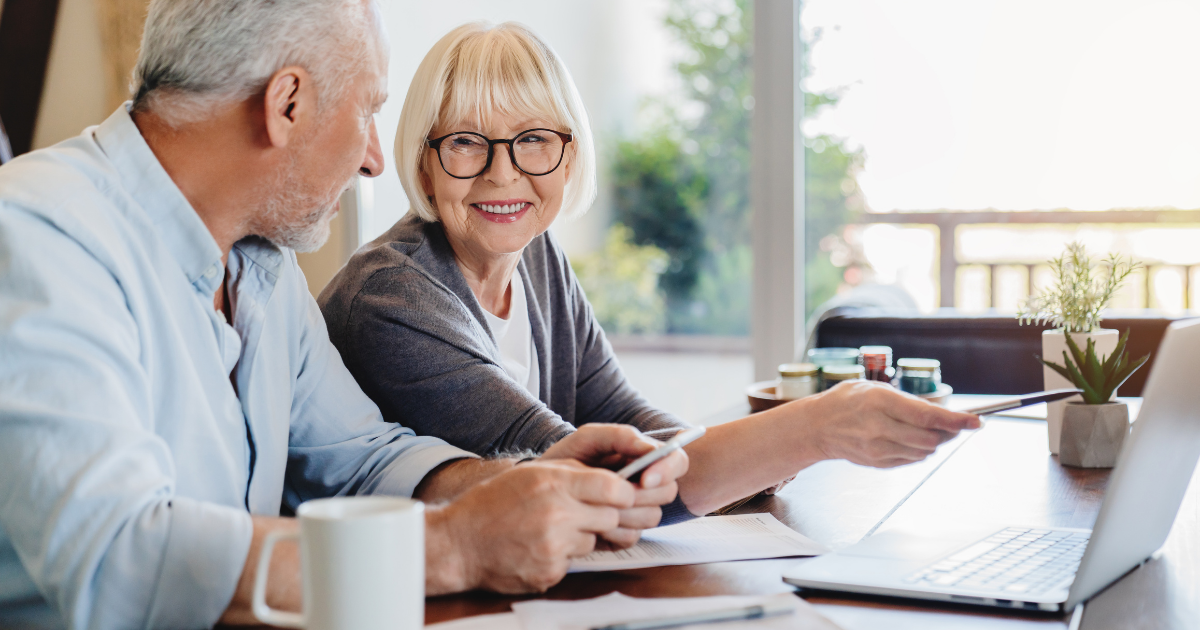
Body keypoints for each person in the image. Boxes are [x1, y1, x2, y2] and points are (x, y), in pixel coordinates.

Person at [0, 1, 688, 627]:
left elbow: (360, 457)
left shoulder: (261, 267)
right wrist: (451, 546)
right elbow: (117, 554)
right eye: (367, 112)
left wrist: (516, 483)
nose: (371, 158)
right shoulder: (36, 235)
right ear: (287, 104)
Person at [318, 21, 981, 522]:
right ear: (424, 161)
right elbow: (586, 475)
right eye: (465, 142)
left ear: (569, 156)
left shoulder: (538, 259)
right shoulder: (391, 298)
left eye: (533, 140)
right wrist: (808, 430)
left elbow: (622, 414)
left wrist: (746, 461)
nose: (502, 172)